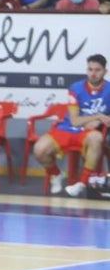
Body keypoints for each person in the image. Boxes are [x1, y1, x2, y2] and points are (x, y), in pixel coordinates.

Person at [32, 54, 110, 198]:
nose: (93, 74)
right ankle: (56, 174)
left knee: (97, 138)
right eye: (90, 69)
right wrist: (98, 116)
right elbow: (74, 121)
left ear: (105, 72)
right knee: (39, 149)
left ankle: (82, 183)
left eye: (97, 70)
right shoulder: (75, 88)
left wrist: (101, 121)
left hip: (87, 132)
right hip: (67, 128)